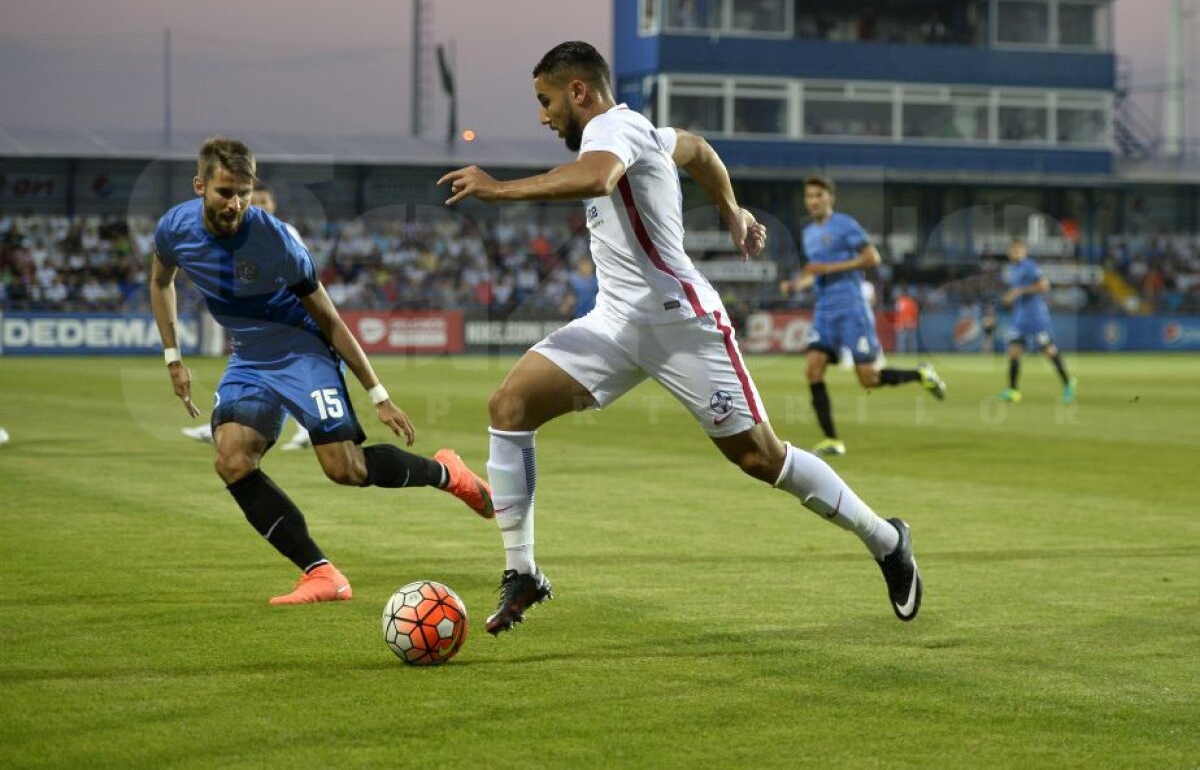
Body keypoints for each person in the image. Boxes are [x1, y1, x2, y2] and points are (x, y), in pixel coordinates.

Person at [439, 41, 922, 636]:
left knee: (760, 458)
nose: (543, 116)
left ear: (579, 91)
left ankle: (886, 539)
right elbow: (697, 148)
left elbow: (596, 179)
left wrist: (498, 188)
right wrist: (733, 210)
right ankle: (523, 572)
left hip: (682, 326)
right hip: (615, 325)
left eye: (546, 101)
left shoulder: (610, 131)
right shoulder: (641, 130)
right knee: (509, 407)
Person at [151, 137, 493, 605]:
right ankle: (321, 574)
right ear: (199, 187)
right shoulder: (174, 228)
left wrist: (378, 394)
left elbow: (329, 319)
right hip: (249, 357)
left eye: (244, 193)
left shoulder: (275, 241)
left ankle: (447, 474)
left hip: (302, 351)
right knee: (231, 459)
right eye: (225, 192)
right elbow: (160, 280)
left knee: (345, 469)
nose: (236, 204)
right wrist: (173, 356)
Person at [785, 175, 945, 457]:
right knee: (812, 369)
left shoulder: (845, 225)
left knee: (868, 379)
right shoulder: (808, 232)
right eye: (809, 197)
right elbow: (816, 272)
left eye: (818, 196)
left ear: (830, 198)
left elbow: (872, 258)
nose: (813, 201)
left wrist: (829, 269)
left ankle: (921, 374)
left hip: (852, 308)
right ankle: (832, 439)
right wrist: (797, 285)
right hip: (824, 311)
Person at [180, 182, 312, 451]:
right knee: (265, 375)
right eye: (258, 202)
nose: (262, 206)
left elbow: (303, 275)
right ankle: (224, 423)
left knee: (268, 374)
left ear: (273, 205)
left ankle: (221, 424)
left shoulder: (285, 232)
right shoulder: (241, 236)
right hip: (253, 318)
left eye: (266, 202)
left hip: (282, 319)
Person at [998, 239, 1077, 403]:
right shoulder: (1013, 269)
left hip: (1036, 318)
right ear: (1009, 253)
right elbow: (1016, 292)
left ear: (1025, 251)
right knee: (1013, 352)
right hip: (1020, 319)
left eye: (1019, 250)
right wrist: (1010, 298)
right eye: (1013, 250)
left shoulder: (1030, 266)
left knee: (1049, 352)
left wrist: (1020, 291)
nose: (1016, 253)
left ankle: (1068, 383)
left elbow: (1044, 286)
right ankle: (1013, 391)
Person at [894, 287, 919, 355]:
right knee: (908, 343)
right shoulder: (911, 302)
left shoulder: (901, 302)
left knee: (906, 343)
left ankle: (904, 356)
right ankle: (910, 355)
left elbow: (914, 314)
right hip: (906, 324)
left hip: (905, 325)